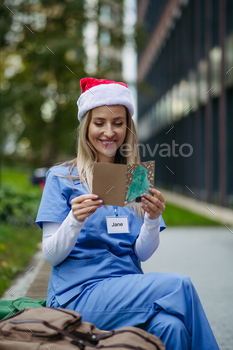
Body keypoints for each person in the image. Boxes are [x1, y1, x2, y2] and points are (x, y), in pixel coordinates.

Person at [36, 77, 219, 350]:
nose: (109, 132)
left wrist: (152, 219)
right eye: (99, 122)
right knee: (179, 286)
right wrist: (74, 220)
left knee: (173, 327)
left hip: (127, 290)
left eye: (118, 123)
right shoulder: (62, 177)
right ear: (87, 126)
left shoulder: (136, 178)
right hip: (77, 296)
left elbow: (142, 253)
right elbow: (51, 254)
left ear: (127, 128)